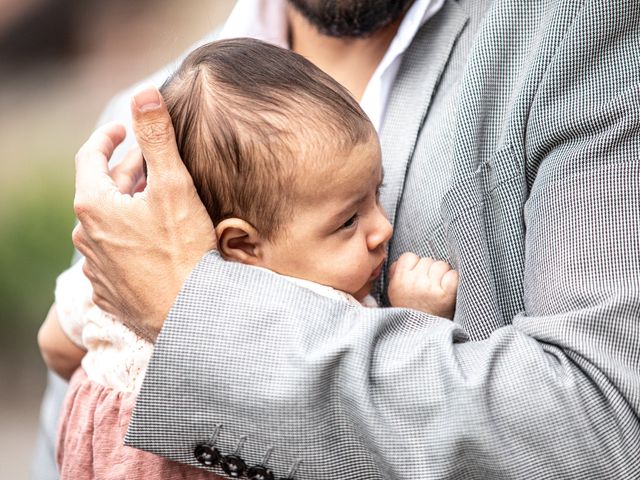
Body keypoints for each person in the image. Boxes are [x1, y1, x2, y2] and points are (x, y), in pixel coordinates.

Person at [40, 0, 640, 478]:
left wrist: (189, 312)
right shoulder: (146, 137)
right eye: (350, 220)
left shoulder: (576, 33)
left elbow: (606, 429)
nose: (378, 230)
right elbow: (61, 397)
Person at [38, 38, 459, 480]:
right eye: (348, 221)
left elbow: (54, 345)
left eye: (378, 193)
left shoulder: (118, 274)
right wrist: (417, 313)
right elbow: (379, 391)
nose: (383, 229)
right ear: (241, 244)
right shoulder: (312, 311)